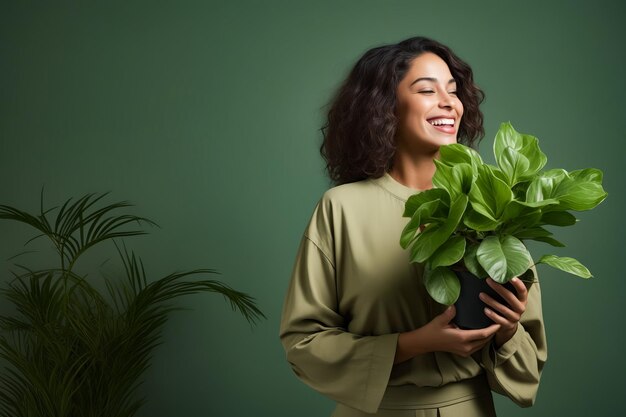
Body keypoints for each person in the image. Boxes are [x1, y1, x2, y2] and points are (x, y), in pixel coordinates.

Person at [279, 36, 547, 417]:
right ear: (384, 107)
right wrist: (412, 344)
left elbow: (529, 358)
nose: (448, 102)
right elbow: (304, 342)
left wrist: (506, 331)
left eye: (453, 91)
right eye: (426, 90)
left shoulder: (490, 201)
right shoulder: (340, 208)